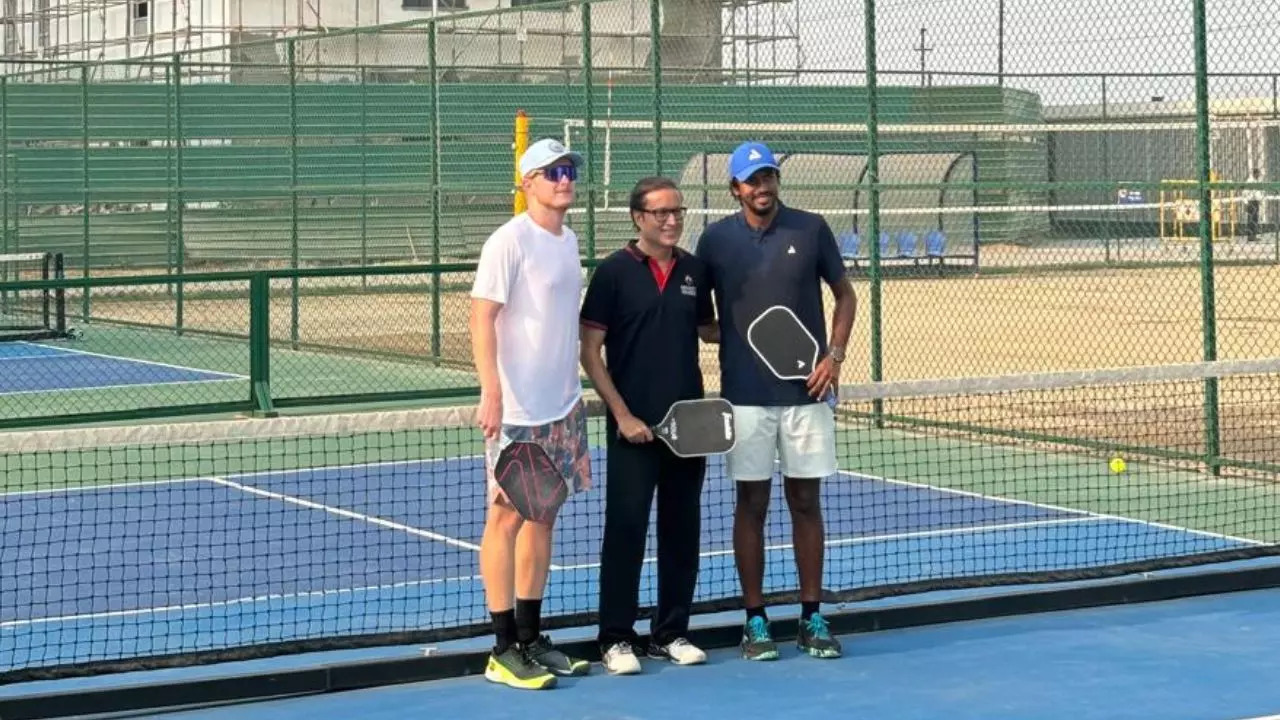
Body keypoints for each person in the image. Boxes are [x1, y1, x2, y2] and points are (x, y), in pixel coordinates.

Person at [694, 141, 857, 661]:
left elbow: (845, 294)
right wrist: (739, 337)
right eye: (752, 180)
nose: (763, 187)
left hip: (807, 396)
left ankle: (812, 616)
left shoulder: (810, 229)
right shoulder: (715, 240)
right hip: (744, 398)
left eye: (769, 177)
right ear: (735, 189)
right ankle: (756, 621)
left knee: (806, 502)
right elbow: (701, 320)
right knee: (752, 506)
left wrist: (833, 356)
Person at [580, 177, 718, 675]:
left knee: (683, 531)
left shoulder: (696, 271)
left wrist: (763, 319)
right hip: (634, 429)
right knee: (626, 531)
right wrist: (622, 413)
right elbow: (590, 352)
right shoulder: (614, 273)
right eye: (660, 212)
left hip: (691, 428)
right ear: (638, 217)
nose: (671, 220)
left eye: (677, 211)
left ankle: (671, 632)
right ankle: (616, 637)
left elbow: (709, 331)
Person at [470, 137, 594, 690]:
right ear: (527, 183)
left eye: (568, 170)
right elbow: (481, 317)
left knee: (543, 520)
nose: (564, 179)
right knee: (506, 519)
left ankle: (529, 635)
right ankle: (501, 649)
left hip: (563, 409)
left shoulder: (568, 241)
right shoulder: (508, 241)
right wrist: (491, 391)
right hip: (517, 411)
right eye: (552, 172)